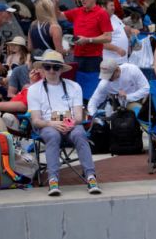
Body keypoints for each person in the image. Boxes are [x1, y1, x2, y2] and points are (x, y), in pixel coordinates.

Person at [27, 50, 102, 195]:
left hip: (71, 124)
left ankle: (91, 176)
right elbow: (36, 120)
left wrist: (66, 124)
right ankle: (53, 179)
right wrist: (52, 124)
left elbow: (79, 117)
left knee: (80, 134)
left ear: (61, 69)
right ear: (42, 68)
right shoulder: (34, 90)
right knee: (53, 136)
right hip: (47, 125)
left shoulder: (74, 86)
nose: (51, 70)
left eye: (56, 67)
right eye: (48, 67)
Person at [55, 0, 112, 84]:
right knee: (78, 87)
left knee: (91, 89)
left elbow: (108, 37)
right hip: (77, 56)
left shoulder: (102, 13)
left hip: (93, 58)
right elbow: (58, 16)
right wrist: (55, 2)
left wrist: (88, 40)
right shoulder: (77, 11)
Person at [102, 0, 131, 64]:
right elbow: (102, 43)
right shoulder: (101, 20)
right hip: (110, 62)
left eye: (114, 5)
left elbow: (124, 28)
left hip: (122, 60)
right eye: (111, 5)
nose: (113, 8)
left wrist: (129, 31)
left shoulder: (114, 17)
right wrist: (117, 49)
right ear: (103, 7)